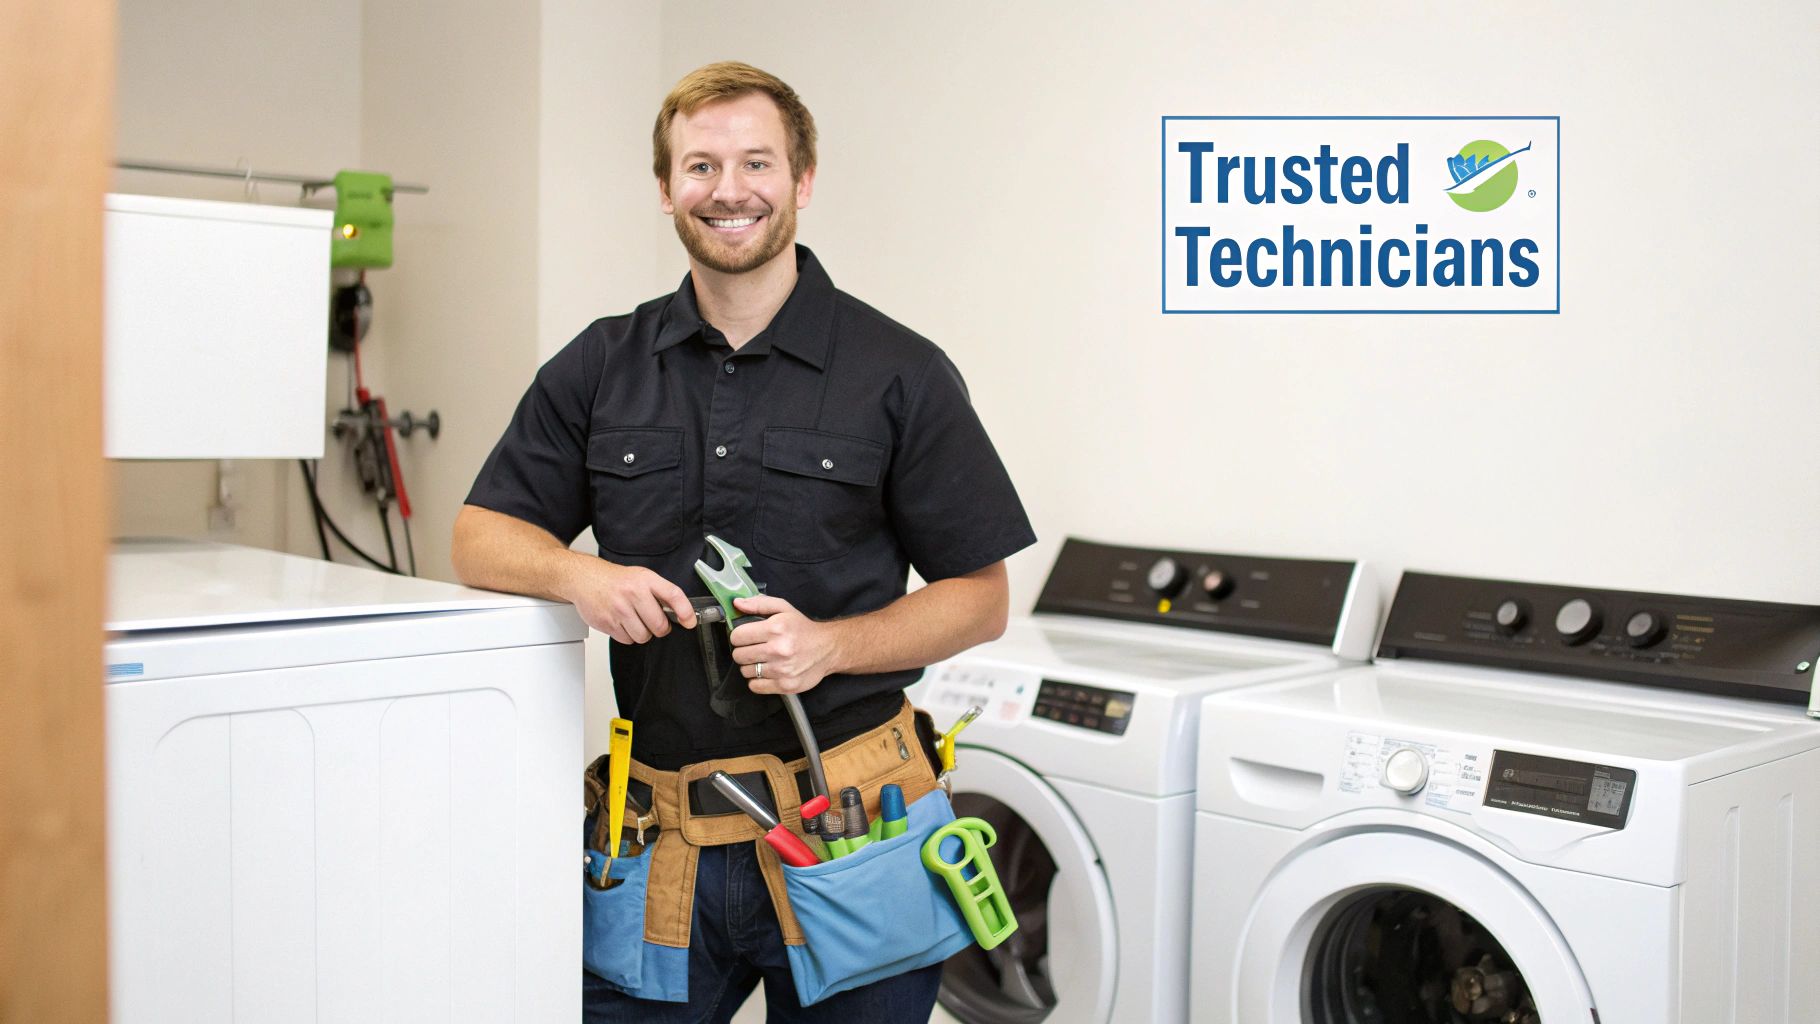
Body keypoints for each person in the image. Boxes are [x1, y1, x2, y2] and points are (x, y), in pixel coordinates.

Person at [452, 61, 1035, 1023]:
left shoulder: (900, 371)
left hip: (855, 834)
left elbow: (982, 595)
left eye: (756, 163)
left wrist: (833, 645)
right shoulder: (601, 364)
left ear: (802, 182)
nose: (729, 191)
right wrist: (575, 573)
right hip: (661, 846)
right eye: (701, 166)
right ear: (666, 189)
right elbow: (478, 537)